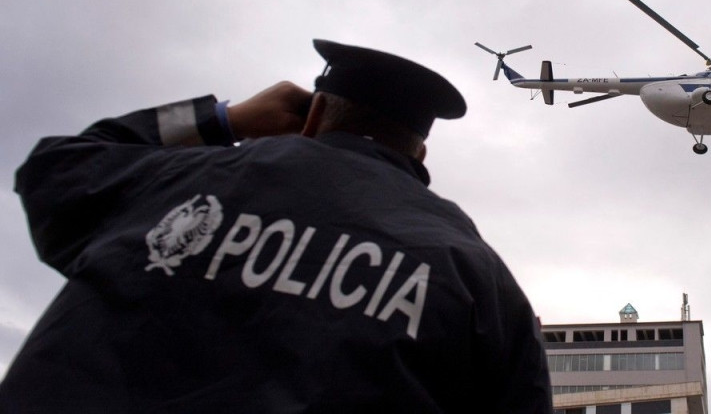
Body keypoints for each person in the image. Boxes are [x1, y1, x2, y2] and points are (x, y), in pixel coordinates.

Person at [2, 40, 553, 413]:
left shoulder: (171, 182)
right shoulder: (479, 277)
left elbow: (54, 165)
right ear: (421, 152)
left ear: (311, 116)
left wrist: (224, 119)